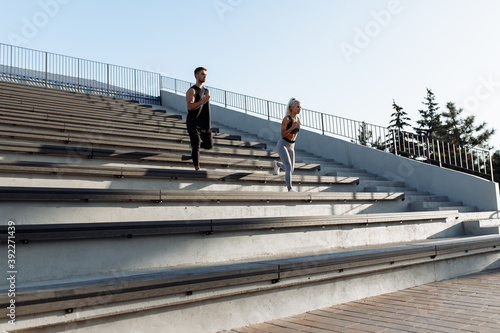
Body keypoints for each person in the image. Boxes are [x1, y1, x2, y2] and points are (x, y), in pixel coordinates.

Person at [185, 67, 214, 171]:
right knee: (196, 145)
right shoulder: (192, 90)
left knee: (209, 145)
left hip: (205, 123)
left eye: (205, 74)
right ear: (197, 75)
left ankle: (192, 148)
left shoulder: (206, 91)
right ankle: (197, 169)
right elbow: (189, 106)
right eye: (202, 74)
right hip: (193, 123)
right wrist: (201, 102)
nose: (205, 76)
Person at [273, 97, 301, 192]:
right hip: (283, 144)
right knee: (288, 166)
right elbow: (283, 134)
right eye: (297, 107)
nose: (299, 108)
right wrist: (291, 127)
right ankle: (290, 189)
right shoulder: (287, 119)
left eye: (300, 107)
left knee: (291, 169)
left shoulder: (299, 120)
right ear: (291, 108)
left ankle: (277, 164)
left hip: (291, 146)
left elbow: (295, 135)